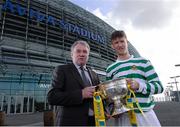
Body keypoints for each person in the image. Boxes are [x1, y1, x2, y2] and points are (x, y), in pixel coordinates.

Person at [106, 30, 164, 126]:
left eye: (122, 41)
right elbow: (109, 97)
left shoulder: (143, 62)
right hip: (123, 118)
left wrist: (139, 86)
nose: (120, 45)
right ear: (112, 46)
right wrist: (112, 109)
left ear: (127, 42)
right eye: (116, 42)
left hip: (145, 115)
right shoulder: (110, 69)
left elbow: (159, 87)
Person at [47, 40, 100, 126]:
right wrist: (81, 94)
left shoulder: (94, 74)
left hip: (93, 122)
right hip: (70, 123)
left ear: (88, 55)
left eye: (85, 52)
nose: (82, 54)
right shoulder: (61, 70)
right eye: (78, 51)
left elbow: (99, 96)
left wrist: (104, 110)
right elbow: (52, 97)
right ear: (72, 54)